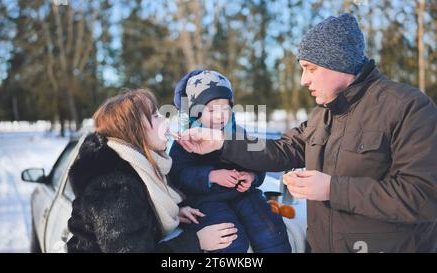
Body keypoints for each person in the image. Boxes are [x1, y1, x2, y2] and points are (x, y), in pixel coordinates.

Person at [177, 14, 437, 253]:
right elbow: (280, 150)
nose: (303, 80)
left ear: (339, 63)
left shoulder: (407, 108)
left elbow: (424, 196)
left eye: (310, 68)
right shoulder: (323, 116)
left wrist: (332, 189)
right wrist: (222, 142)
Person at [66, 89, 238, 253]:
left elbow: (138, 213)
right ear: (134, 130)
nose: (165, 120)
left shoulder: (139, 166)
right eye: (155, 116)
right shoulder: (114, 187)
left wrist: (173, 212)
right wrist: (197, 241)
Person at [169, 70, 291, 253]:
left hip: (243, 195)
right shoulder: (186, 140)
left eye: (225, 108)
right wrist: (210, 176)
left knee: (270, 231)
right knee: (229, 239)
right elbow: (178, 174)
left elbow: (259, 161)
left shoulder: (239, 134)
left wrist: (252, 176)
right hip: (206, 201)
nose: (220, 116)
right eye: (211, 110)